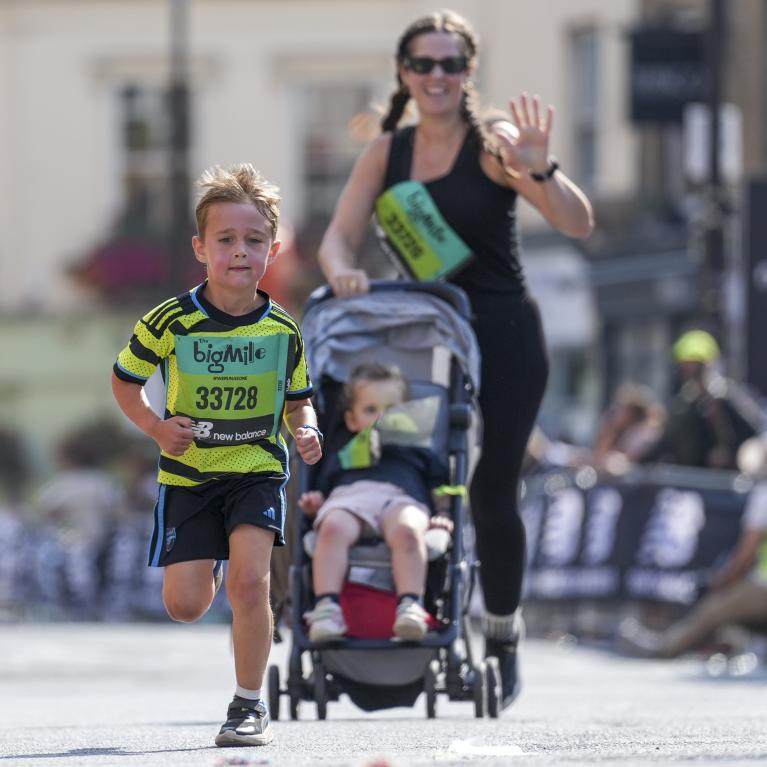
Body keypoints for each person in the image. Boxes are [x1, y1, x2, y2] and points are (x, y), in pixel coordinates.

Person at [316, 9, 593, 709]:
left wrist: (541, 169)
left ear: (468, 72)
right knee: (408, 478)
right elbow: (336, 238)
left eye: (450, 64)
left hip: (500, 331)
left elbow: (574, 220)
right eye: (423, 64)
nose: (436, 76)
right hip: (422, 338)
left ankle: (500, 630)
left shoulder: (492, 142)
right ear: (403, 74)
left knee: (492, 488)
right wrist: (343, 270)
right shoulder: (387, 153)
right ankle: (410, 612)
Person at [111, 163, 322, 748]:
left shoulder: (282, 330)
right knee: (185, 605)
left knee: (250, 585)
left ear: (273, 250)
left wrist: (307, 432)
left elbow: (299, 403)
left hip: (256, 471)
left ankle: (247, 705)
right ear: (201, 248)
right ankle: (218, 563)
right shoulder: (171, 321)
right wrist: (157, 430)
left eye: (254, 241)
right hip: (190, 477)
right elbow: (124, 381)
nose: (239, 252)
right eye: (225, 240)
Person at [299, 362, 452, 642]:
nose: (382, 417)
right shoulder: (342, 451)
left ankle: (410, 607)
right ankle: (327, 609)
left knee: (408, 531)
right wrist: (315, 504)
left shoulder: (418, 451)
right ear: (351, 420)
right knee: (331, 527)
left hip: (402, 498)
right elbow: (326, 489)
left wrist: (443, 511)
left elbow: (441, 486)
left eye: (392, 409)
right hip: (351, 497)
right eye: (371, 410)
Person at [617, 436, 767, 658]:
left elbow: (746, 552)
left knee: (714, 609)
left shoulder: (764, 494)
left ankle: (665, 649)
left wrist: (725, 580)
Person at [639, 330, 761, 470]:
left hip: (734, 482)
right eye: (686, 366)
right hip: (693, 482)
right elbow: (667, 442)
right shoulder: (683, 405)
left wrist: (736, 455)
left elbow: (755, 432)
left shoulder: (728, 396)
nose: (690, 372)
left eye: (696, 366)